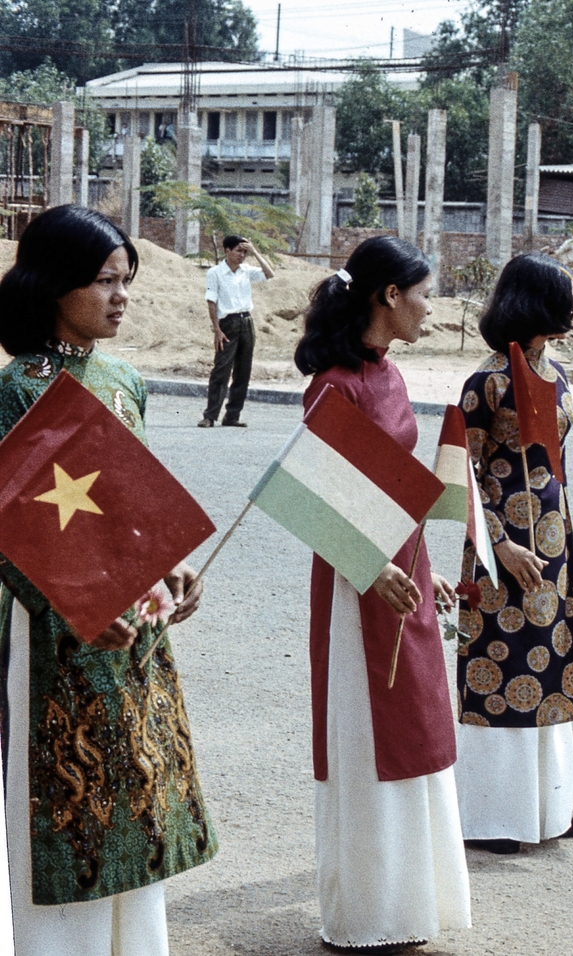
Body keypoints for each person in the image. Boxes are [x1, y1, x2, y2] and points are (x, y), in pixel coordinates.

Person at [0, 204, 213, 956]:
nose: (121, 296)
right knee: (64, 798)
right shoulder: (15, 390)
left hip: (134, 628)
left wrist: (170, 564)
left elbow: (132, 506)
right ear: (52, 284)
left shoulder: (126, 379)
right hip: (52, 633)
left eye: (126, 280)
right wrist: (76, 599)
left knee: (135, 791)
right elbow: (6, 529)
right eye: (102, 281)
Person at [292, 235, 471, 951]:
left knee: (419, 728)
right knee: (369, 735)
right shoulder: (332, 385)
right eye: (425, 293)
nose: (432, 307)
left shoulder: (390, 376)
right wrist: (371, 569)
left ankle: (411, 903)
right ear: (389, 296)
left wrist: (429, 568)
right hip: (356, 579)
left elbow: (402, 488)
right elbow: (314, 501)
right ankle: (369, 911)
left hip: (408, 567)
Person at [453, 253, 573, 854]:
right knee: (503, 665)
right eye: (564, 296)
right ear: (535, 301)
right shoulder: (484, 383)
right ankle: (496, 815)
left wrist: (558, 535)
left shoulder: (559, 372)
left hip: (553, 538)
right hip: (502, 547)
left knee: (551, 664)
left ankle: (549, 807)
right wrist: (499, 542)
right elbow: (460, 476)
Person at [199, 234, 274, 428]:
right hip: (228, 323)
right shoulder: (215, 273)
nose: (242, 255)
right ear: (227, 251)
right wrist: (216, 329)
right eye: (239, 251)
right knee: (221, 370)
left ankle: (232, 416)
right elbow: (211, 301)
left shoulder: (246, 271)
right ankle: (210, 415)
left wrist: (255, 252)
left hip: (246, 321)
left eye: (245, 252)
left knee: (243, 371)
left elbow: (269, 273)